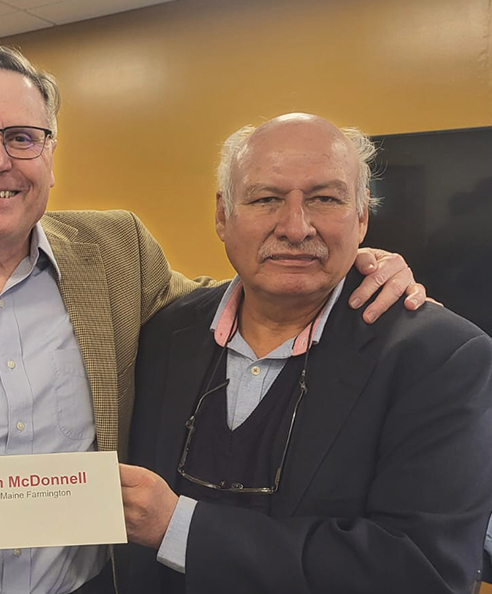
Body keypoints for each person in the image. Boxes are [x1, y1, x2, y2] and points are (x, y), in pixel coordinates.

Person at [0, 45, 425, 594]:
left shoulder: (117, 251)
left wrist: (345, 268)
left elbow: (233, 303)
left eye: (22, 137)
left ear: (49, 153)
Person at [122, 113, 492, 593]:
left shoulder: (442, 358)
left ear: (361, 216)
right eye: (266, 198)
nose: (296, 227)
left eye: (325, 198)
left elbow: (422, 572)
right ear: (222, 215)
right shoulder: (164, 332)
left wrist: (180, 529)